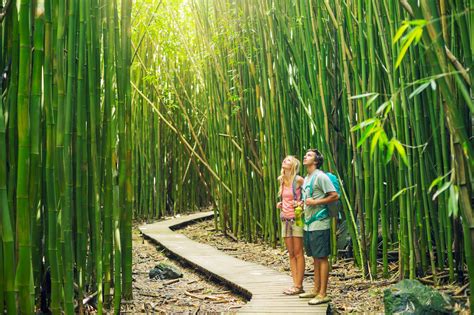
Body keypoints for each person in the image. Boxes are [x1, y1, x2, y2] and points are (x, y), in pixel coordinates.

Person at [298, 149, 338, 305]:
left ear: (315, 161)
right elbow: (308, 197)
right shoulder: (307, 178)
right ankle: (315, 289)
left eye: (308, 155)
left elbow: (334, 195)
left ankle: (323, 293)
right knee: (315, 257)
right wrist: (301, 205)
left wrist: (315, 203)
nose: (304, 156)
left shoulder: (321, 176)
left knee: (322, 257)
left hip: (320, 223)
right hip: (309, 224)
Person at [276, 156, 305, 295]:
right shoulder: (281, 180)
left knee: (299, 253)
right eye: (284, 159)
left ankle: (299, 286)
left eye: (288, 160)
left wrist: (301, 203)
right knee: (291, 253)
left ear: (293, 165)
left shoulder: (298, 180)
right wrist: (280, 204)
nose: (284, 161)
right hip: (285, 219)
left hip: (297, 219)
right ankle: (295, 284)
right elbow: (284, 198)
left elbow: (309, 194)